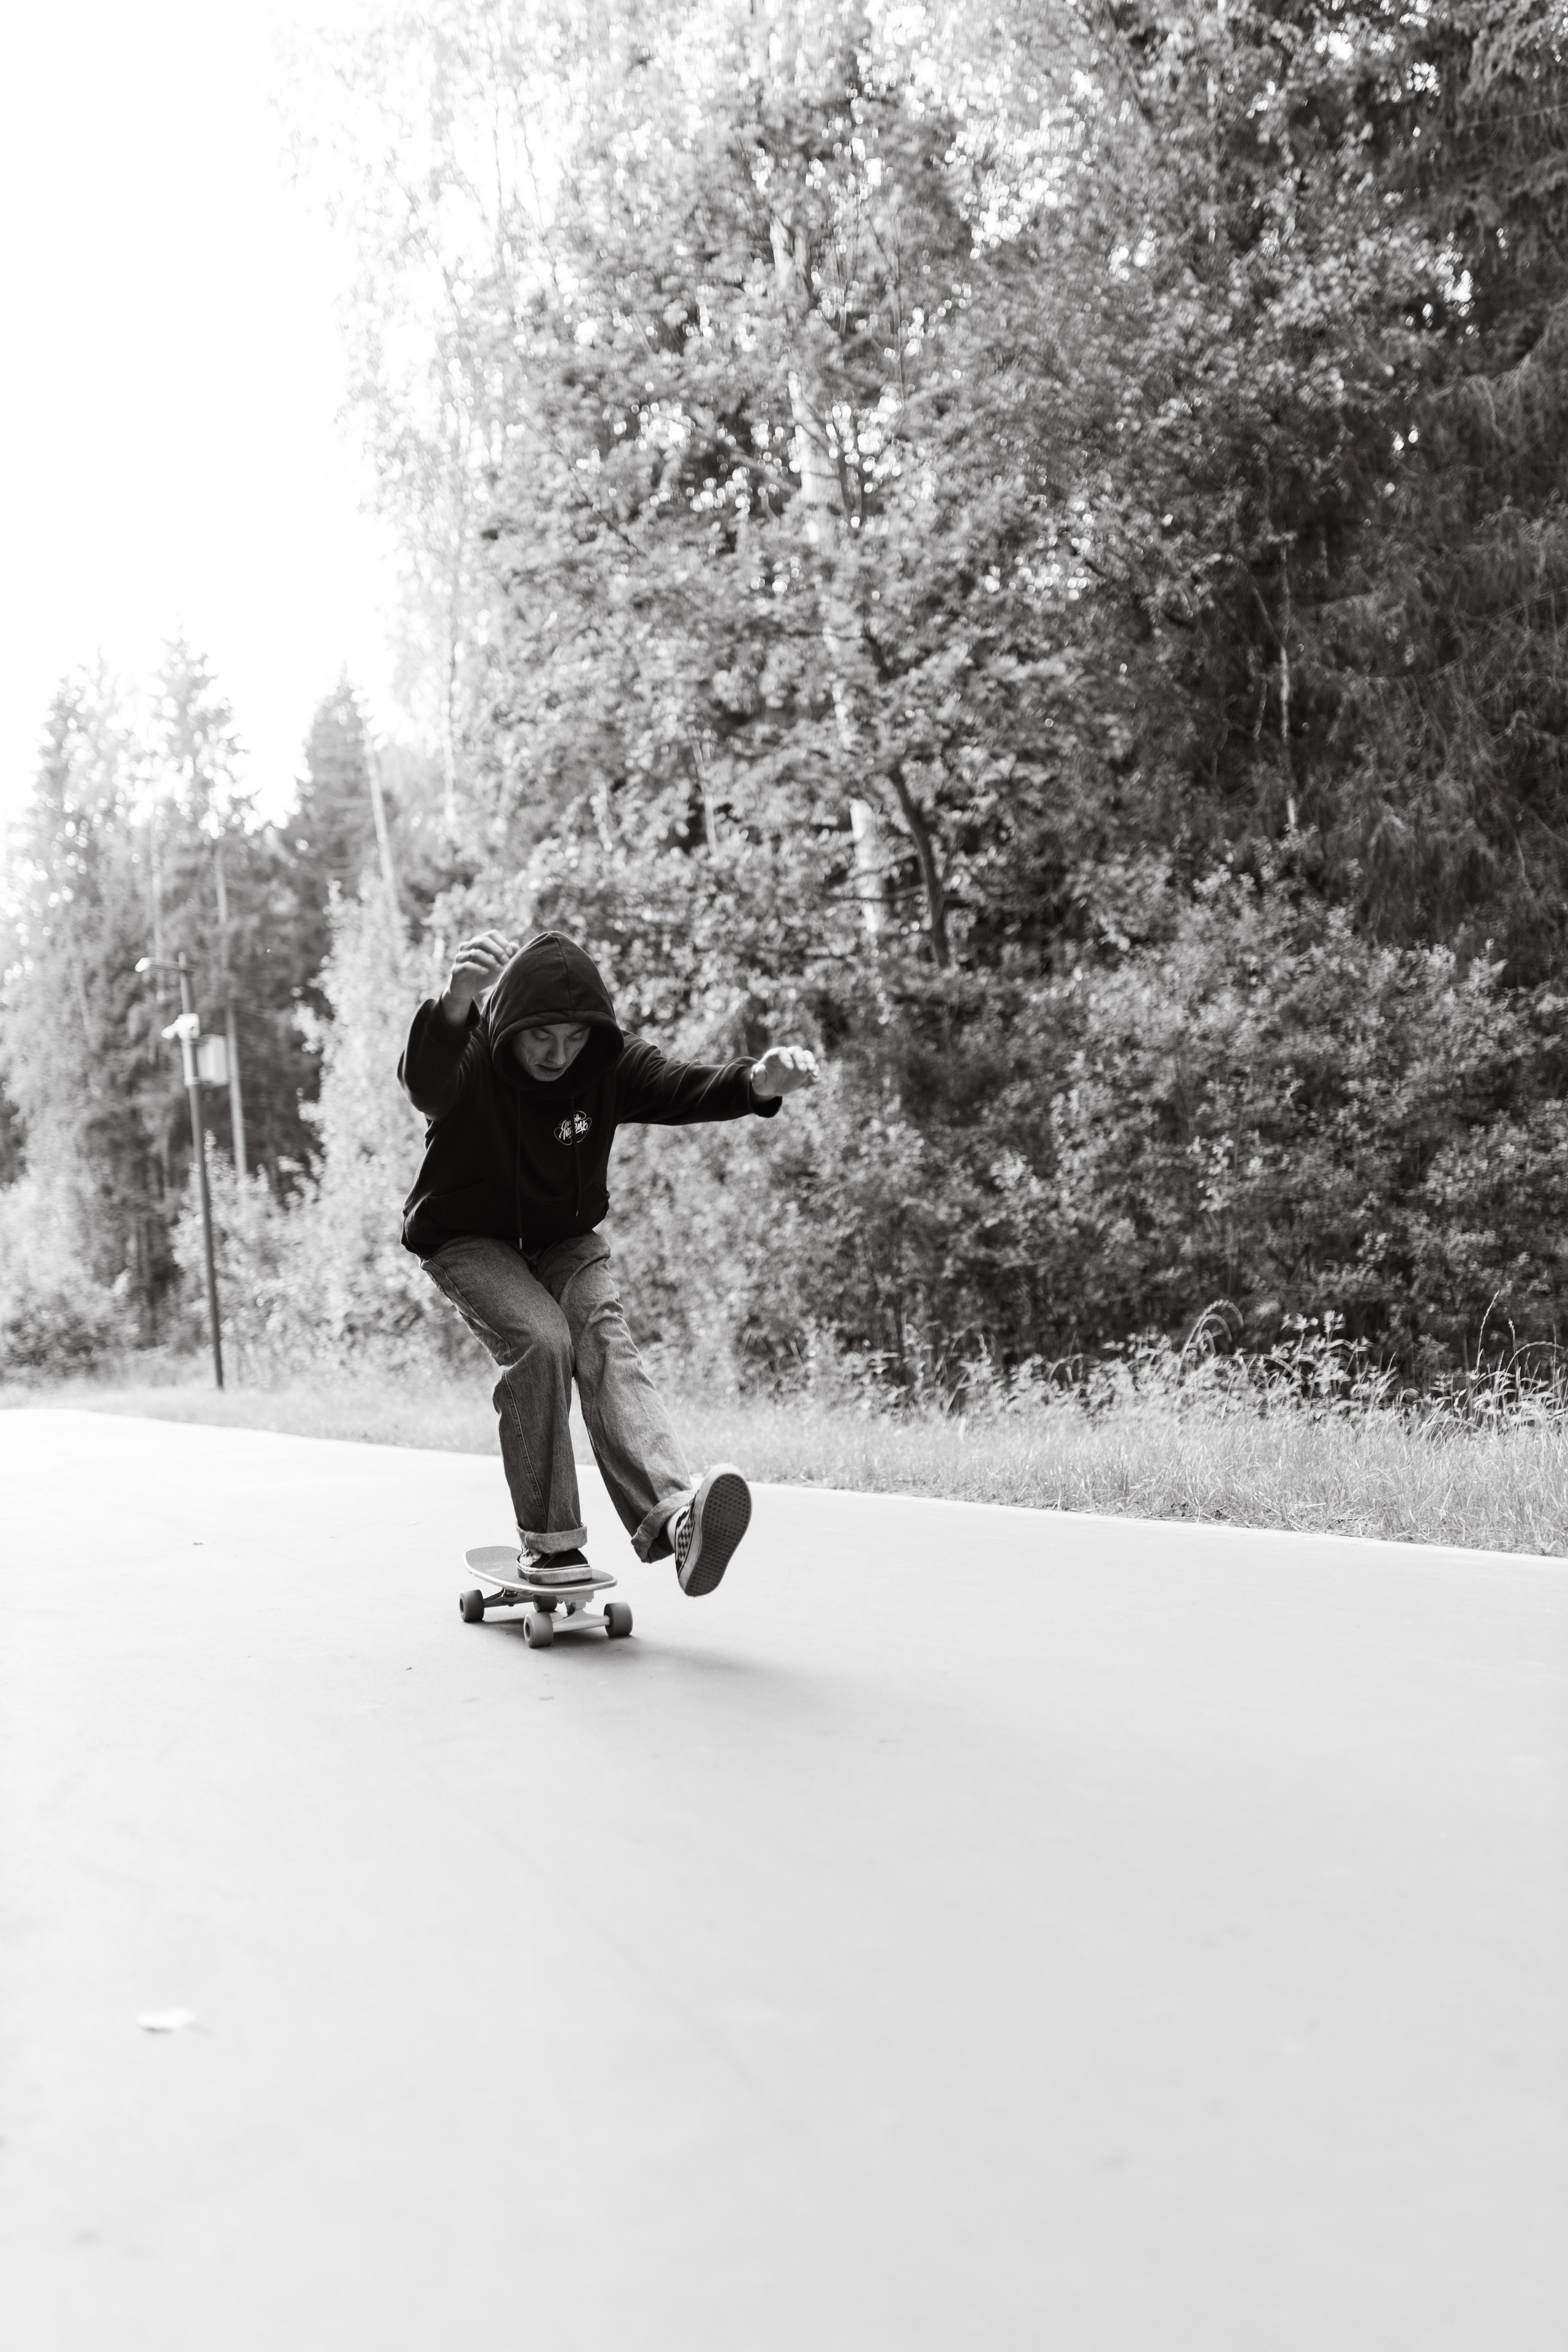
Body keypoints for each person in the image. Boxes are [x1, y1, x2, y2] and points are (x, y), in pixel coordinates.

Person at [398, 927, 817, 1596]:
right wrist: (453, 1006)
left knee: (601, 1338)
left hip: (564, 1238)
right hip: (467, 1237)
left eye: (573, 1038)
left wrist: (757, 1082)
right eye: (542, 1038)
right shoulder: (472, 1059)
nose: (559, 1056)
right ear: (511, 1025)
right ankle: (550, 1546)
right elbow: (425, 1083)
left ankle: (679, 1520)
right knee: (540, 1339)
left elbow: (684, 1086)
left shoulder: (607, 1065)